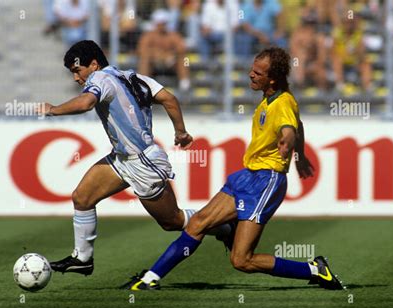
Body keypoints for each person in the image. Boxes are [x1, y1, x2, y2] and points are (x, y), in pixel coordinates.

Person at [124, 47, 343, 291]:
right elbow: (297, 124)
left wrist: (288, 143)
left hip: (265, 182)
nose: (251, 75)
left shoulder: (282, 103)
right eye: (252, 69)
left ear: (272, 78)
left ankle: (314, 270)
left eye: (257, 72)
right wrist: (299, 155)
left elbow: (290, 129)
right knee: (197, 223)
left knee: (241, 260)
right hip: (246, 176)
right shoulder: (272, 98)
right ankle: (150, 278)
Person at [36, 40, 231, 276]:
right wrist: (180, 131)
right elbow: (169, 98)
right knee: (82, 198)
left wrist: (53, 109)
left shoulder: (100, 79)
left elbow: (87, 103)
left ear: (94, 65)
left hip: (143, 162)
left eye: (78, 71)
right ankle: (82, 258)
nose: (77, 78)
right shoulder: (132, 77)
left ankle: (224, 226)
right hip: (121, 159)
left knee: (172, 222)